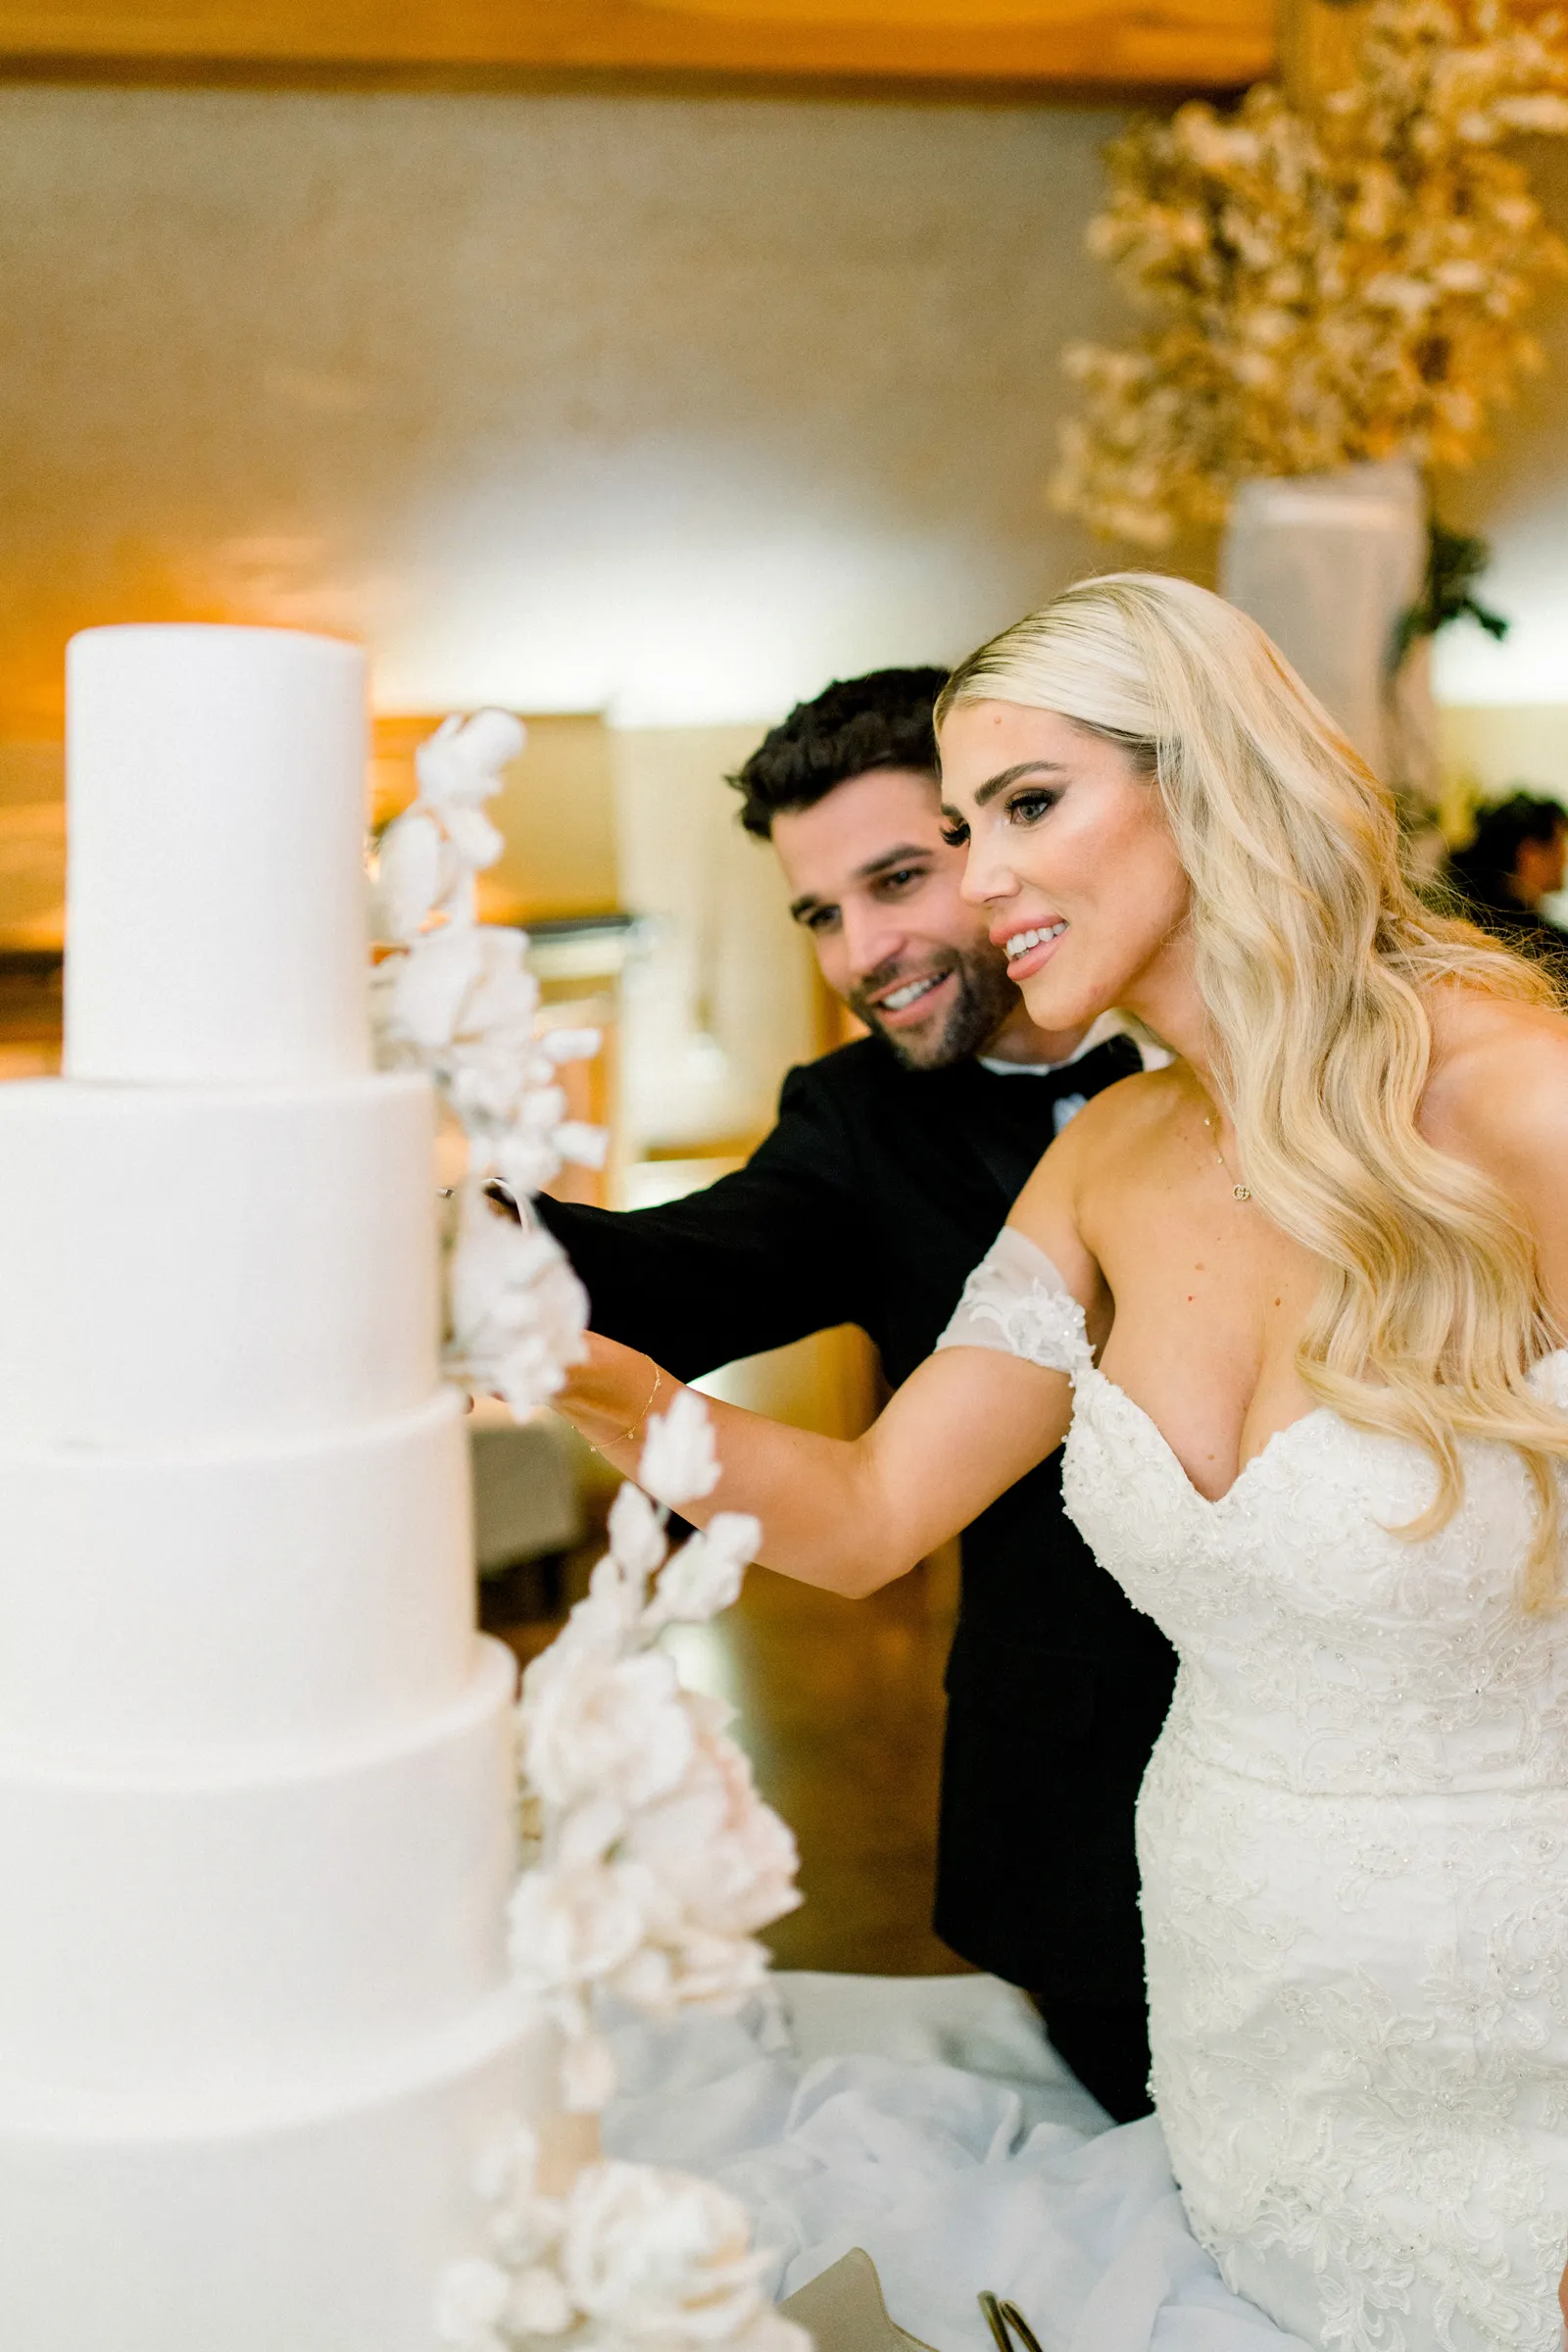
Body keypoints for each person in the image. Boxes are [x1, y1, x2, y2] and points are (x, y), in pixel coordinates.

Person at [554, 573, 1568, 2349]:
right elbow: (868, 1513)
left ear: (1212, 774)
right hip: (1247, 2021)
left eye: (1029, 807)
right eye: (966, 830)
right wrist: (572, 1370)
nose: (981, 884)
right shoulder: (1101, 1163)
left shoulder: (1526, 1107)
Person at [534, 667, 1173, 2125]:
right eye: (819, 914)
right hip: (1086, 1799)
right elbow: (676, 1275)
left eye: (895, 880)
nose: (863, 952)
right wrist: (457, 1233)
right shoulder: (859, 1124)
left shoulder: (1276, 1047)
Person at [1448, 789, 1568, 963]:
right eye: (1560, 846)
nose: (1565, 860)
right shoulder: (1547, 946)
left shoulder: (1467, 916)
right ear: (1530, 855)